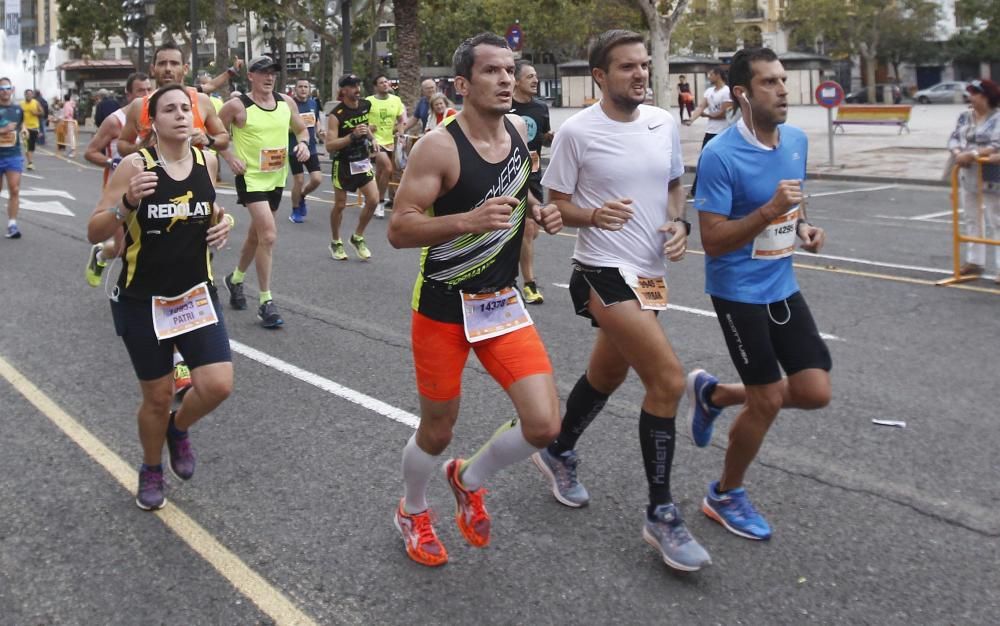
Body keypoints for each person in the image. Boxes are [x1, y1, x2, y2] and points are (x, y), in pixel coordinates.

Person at [537, 29, 711, 572]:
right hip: (600, 271)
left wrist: (679, 225)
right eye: (627, 67)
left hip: (650, 273)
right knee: (668, 380)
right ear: (600, 76)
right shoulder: (577, 133)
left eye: (643, 65)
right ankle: (661, 513)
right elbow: (555, 205)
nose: (639, 74)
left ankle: (558, 448)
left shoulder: (661, 123)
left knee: (608, 375)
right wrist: (593, 215)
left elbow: (673, 186)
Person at [387, 32, 563, 567]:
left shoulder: (516, 130)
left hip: (501, 304)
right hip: (442, 307)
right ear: (463, 84)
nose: (507, 79)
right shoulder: (437, 146)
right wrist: (465, 221)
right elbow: (399, 229)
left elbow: (517, 185)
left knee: (544, 425)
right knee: (437, 430)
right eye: (492, 71)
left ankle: (468, 479)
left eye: (510, 70)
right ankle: (412, 509)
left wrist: (537, 210)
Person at [688, 47, 831, 542]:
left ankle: (716, 393)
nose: (784, 90)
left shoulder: (795, 140)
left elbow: (795, 202)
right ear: (742, 94)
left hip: (781, 284)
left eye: (784, 80)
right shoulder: (720, 155)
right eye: (770, 82)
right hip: (737, 292)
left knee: (815, 392)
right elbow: (711, 240)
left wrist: (806, 229)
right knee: (767, 400)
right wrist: (770, 211)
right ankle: (725, 493)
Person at [86, 84, 235, 510]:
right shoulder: (135, 164)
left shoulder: (206, 162)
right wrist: (127, 203)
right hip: (143, 299)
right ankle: (152, 468)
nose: (181, 115)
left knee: (219, 384)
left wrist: (226, 224)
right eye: (169, 109)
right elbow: (95, 230)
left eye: (186, 108)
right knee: (155, 395)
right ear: (153, 121)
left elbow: (209, 212)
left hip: (195, 293)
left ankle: (178, 427)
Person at [218, 55, 310, 329]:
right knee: (268, 235)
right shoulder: (237, 106)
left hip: (275, 178)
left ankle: (234, 280)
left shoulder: (286, 102)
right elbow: (216, 134)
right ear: (251, 76)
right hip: (250, 179)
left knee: (256, 235)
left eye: (273, 73)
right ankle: (265, 302)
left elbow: (302, 130)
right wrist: (229, 156)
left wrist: (303, 144)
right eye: (263, 72)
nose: (269, 77)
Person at [84, 72, 155, 284]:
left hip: (148, 186)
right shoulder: (115, 121)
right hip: (119, 190)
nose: (146, 95)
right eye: (140, 91)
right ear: (128, 94)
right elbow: (90, 152)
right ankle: (101, 254)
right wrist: (111, 162)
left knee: (149, 240)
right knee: (121, 248)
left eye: (149, 89)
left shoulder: (156, 117)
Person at [116, 42, 231, 159]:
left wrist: (207, 139)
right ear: (152, 69)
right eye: (162, 64)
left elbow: (224, 139)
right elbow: (122, 144)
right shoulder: (139, 105)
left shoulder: (201, 101)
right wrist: (142, 148)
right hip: (154, 175)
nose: (168, 69)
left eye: (174, 63)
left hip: (194, 174)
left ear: (185, 69)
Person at [510, 61, 554, 305]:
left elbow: (542, 139)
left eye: (536, 76)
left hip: (534, 172)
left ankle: (512, 269)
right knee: (526, 229)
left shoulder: (540, 108)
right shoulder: (506, 107)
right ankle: (529, 284)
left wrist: (550, 138)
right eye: (529, 76)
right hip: (510, 171)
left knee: (531, 231)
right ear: (516, 80)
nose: (535, 80)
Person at [947, 78, 1000, 280]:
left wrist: (973, 154)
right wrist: (958, 152)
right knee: (971, 217)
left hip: (992, 173)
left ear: (986, 97)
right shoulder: (965, 116)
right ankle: (975, 261)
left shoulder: (997, 117)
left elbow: (995, 144)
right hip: (967, 172)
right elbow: (954, 137)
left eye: (974, 93)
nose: (970, 97)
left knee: (997, 219)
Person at [325, 73, 380, 261]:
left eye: (358, 84)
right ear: (344, 90)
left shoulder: (365, 105)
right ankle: (335, 241)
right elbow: (329, 146)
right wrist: (352, 136)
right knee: (340, 206)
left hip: (362, 161)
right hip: (343, 164)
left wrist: (373, 139)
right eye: (352, 86)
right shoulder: (336, 115)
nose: (357, 89)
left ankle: (357, 237)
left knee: (373, 200)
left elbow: (365, 126)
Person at [684, 66, 731, 197]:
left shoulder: (727, 91)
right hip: (711, 131)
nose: (709, 77)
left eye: (710, 74)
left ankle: (724, 188)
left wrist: (707, 116)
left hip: (724, 132)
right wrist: (691, 119)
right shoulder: (709, 91)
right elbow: (700, 107)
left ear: (718, 75)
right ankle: (695, 190)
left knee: (723, 162)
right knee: (704, 160)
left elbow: (724, 113)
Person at [366, 74, 407, 218]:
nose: (385, 84)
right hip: (374, 141)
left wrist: (400, 134)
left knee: (380, 172)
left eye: (386, 82)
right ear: (376, 86)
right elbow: (361, 120)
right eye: (381, 82)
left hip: (389, 140)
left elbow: (401, 119)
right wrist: (368, 128)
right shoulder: (369, 101)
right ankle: (380, 202)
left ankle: (374, 197)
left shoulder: (396, 100)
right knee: (388, 168)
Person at [287, 78, 325, 224]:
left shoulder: (313, 103)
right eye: (300, 87)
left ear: (309, 89)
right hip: (294, 149)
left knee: (317, 179)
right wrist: (299, 127)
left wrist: (320, 130)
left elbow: (316, 121)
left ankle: (302, 196)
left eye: (306, 87)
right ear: (295, 89)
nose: (303, 89)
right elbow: (283, 126)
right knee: (299, 180)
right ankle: (295, 210)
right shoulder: (290, 105)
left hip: (311, 148)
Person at [0, 78, 24, 239]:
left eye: (7, 88)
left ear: (12, 90)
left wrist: (24, 131)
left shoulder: (17, 109)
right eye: (2, 88)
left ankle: (12, 224)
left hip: (14, 155)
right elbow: (7, 128)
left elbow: (20, 126)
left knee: (14, 189)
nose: (5, 91)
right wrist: (3, 130)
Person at [19, 88, 43, 169]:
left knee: (32, 146)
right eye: (27, 94)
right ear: (25, 95)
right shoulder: (21, 104)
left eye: (30, 94)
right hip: (25, 128)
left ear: (32, 95)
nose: (29, 96)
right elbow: (18, 115)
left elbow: (42, 112)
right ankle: (30, 162)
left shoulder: (36, 103)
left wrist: (36, 113)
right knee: (26, 145)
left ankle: (30, 160)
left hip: (34, 127)